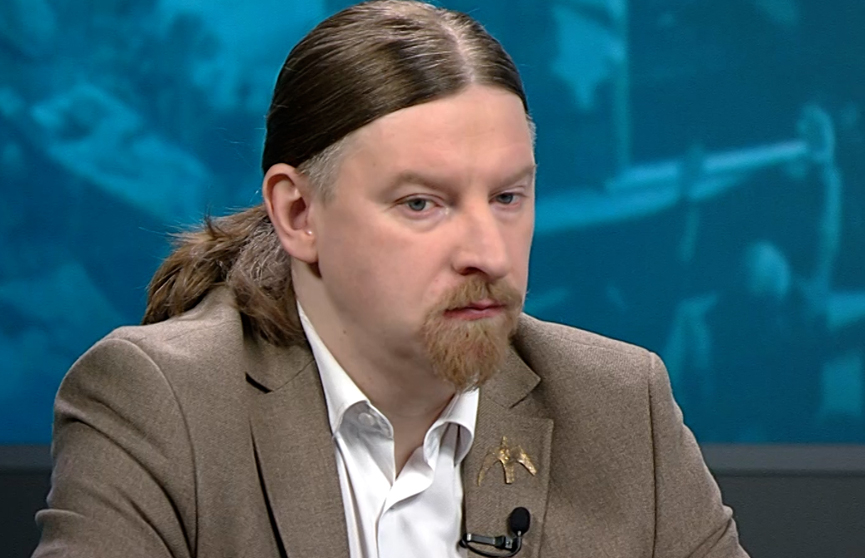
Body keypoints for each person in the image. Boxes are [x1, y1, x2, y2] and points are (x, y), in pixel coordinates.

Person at [33, 1, 749, 556]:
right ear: (299, 213)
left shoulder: (619, 405)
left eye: (507, 197)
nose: (489, 254)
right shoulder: (160, 405)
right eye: (421, 204)